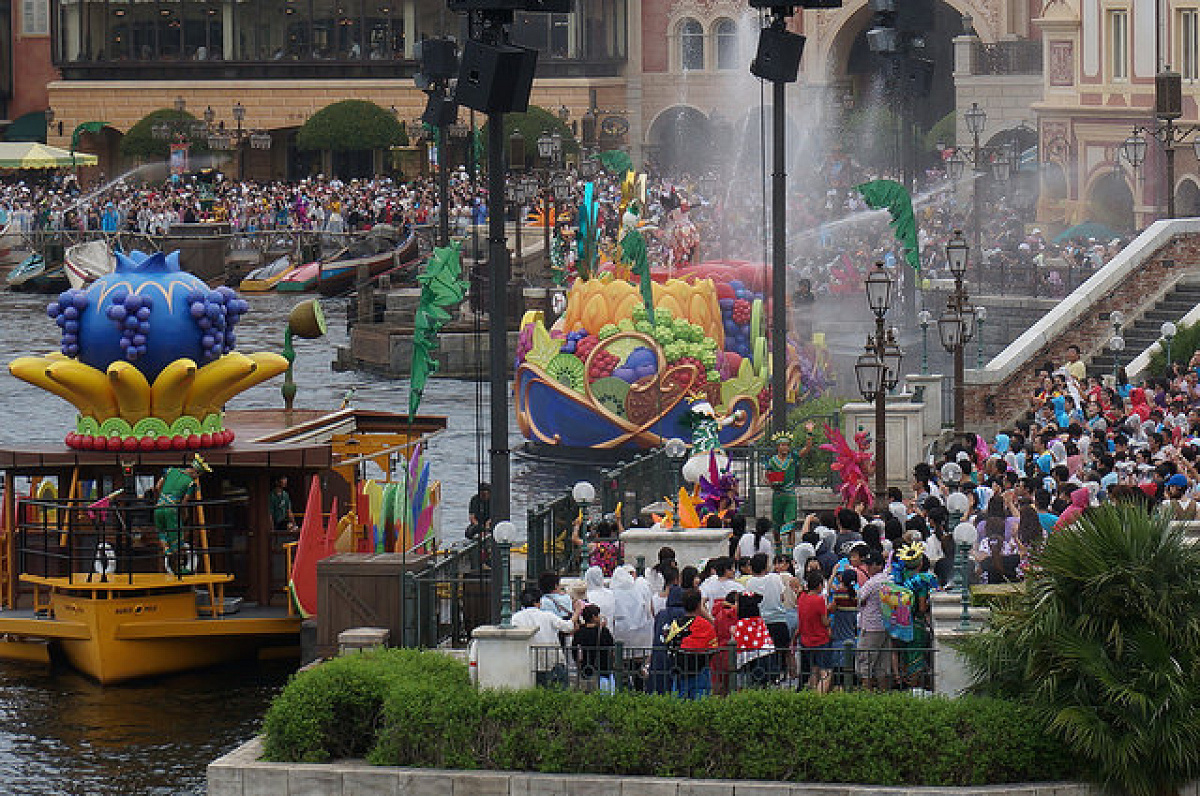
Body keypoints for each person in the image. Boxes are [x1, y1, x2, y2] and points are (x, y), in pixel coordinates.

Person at [512, 586, 582, 687]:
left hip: (530, 662)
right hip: (552, 659)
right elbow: (567, 627)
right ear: (537, 602)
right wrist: (577, 612)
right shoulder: (548, 616)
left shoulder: (516, 618)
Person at [154, 454, 209, 574]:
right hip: (172, 509)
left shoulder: (170, 470)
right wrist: (184, 514)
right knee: (177, 537)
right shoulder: (190, 483)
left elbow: (157, 486)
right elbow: (184, 501)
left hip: (159, 507)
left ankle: (167, 552)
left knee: (162, 532)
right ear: (196, 472)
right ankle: (178, 567)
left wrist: (162, 498)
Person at [765, 430, 814, 539]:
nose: (784, 448)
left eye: (787, 445)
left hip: (790, 494)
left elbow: (807, 449)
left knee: (791, 524)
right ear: (777, 447)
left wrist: (809, 433)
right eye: (782, 445)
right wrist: (771, 482)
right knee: (776, 524)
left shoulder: (792, 458)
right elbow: (767, 475)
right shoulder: (772, 461)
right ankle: (778, 551)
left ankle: (789, 551)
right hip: (777, 495)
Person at [672, 588, 717, 699]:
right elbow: (714, 648)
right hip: (701, 672)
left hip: (680, 671)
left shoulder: (675, 624)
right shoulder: (706, 625)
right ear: (698, 605)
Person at [856, 549, 891, 690]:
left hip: (870, 627)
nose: (868, 568)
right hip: (885, 626)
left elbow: (859, 598)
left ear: (879, 565)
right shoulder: (889, 579)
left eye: (871, 565)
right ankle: (883, 696)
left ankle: (867, 698)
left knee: (865, 663)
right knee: (882, 665)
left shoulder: (873, 583)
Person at [795, 569, 833, 693]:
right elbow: (824, 622)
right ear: (820, 586)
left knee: (814, 670)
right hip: (820, 640)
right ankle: (819, 700)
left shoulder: (801, 598)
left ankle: (810, 698)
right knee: (826, 673)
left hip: (806, 640)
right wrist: (830, 615)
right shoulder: (819, 600)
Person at [572, 605, 615, 693]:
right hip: (603, 667)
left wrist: (578, 662)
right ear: (593, 617)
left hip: (586, 667)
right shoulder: (603, 631)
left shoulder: (580, 632)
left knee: (587, 693)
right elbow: (612, 647)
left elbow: (574, 649)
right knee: (604, 693)